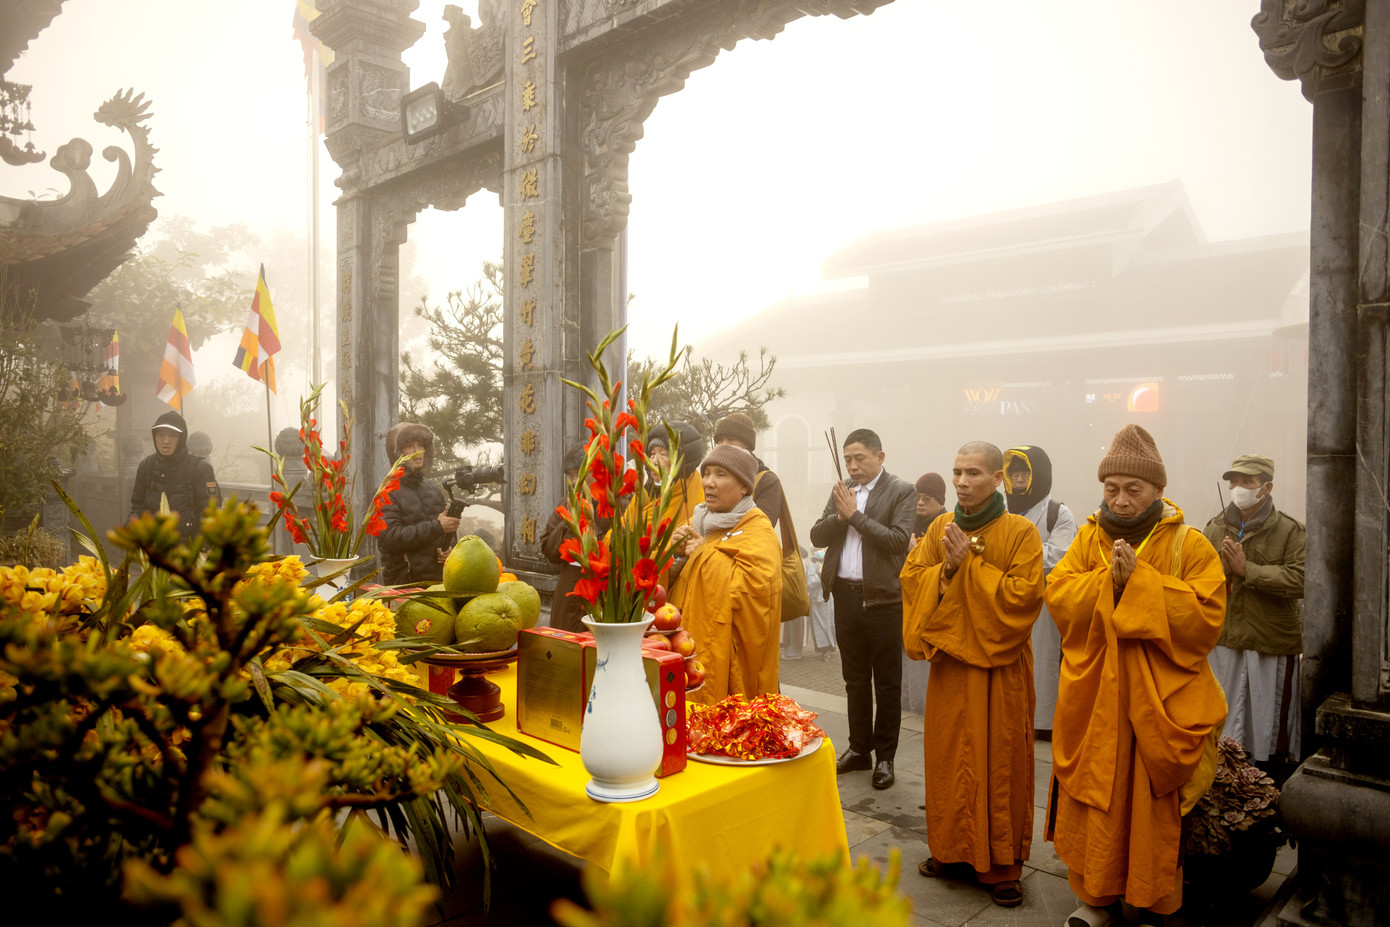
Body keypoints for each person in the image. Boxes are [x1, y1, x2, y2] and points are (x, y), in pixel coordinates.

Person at [1044, 424, 1227, 926]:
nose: (1120, 502)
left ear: (1158, 491)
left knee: (1149, 808)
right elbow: (1059, 597)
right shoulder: (1087, 538)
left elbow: (1207, 618)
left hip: (1156, 706)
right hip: (1095, 699)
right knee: (1094, 803)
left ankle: (1149, 903)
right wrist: (1110, 584)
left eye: (1133, 490)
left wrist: (1140, 585)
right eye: (1111, 489)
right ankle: (1095, 900)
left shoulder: (1189, 545)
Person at [899, 441, 1045, 908]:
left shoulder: (1020, 532)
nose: (962, 482)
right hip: (951, 670)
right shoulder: (941, 526)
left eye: (974, 473)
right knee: (948, 759)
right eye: (957, 472)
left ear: (998, 477)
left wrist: (970, 567)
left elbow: (1024, 599)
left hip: (1000, 672)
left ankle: (1002, 865)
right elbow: (912, 576)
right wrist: (945, 571)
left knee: (999, 762)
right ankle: (951, 851)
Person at [809, 428, 916, 790]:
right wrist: (840, 516)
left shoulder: (901, 491)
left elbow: (899, 541)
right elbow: (816, 536)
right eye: (848, 458)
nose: (853, 465)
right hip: (845, 595)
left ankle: (885, 757)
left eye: (860, 458)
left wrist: (854, 516)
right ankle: (859, 750)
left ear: (880, 457)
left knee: (886, 683)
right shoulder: (842, 491)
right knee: (854, 679)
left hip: (884, 599)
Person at [1202, 453, 1305, 775]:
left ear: (1266, 487)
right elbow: (1197, 576)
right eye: (1234, 481)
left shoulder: (1291, 530)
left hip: (1270, 641)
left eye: (1247, 482)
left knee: (1267, 720)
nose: (1237, 487)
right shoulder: (1215, 526)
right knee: (1223, 716)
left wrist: (1248, 570)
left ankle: (1268, 779)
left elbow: (1301, 579)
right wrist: (1223, 569)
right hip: (1225, 637)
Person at [668, 445, 782, 704]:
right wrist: (674, 556)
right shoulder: (697, 521)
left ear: (744, 486)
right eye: (706, 473)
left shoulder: (758, 529)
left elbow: (757, 590)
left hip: (731, 661)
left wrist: (703, 554)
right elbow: (665, 587)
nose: (708, 482)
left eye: (720, 474)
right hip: (686, 649)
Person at [713, 411, 805, 657]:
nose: (724, 447)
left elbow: (760, 525)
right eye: (720, 441)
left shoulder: (766, 480)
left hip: (751, 572)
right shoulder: (713, 478)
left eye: (731, 441)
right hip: (718, 579)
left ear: (748, 446)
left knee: (753, 655)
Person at [1002, 444, 1078, 737]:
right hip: (1002, 595)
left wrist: (1015, 554)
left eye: (1025, 474)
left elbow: (1060, 554)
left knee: (1042, 661)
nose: (1020, 481)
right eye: (1015, 474)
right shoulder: (999, 507)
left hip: (1042, 602)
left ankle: (1041, 723)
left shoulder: (1057, 513)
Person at [377, 423, 459, 586]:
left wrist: (450, 549)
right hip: (404, 583)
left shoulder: (433, 489)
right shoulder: (386, 491)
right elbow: (389, 538)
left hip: (439, 581)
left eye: (420, 445)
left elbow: (448, 529)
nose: (417, 451)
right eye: (409, 446)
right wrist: (437, 526)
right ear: (397, 452)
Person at [128, 410, 222, 538]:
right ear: (154, 436)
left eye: (172, 435)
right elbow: (137, 505)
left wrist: (203, 548)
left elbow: (211, 512)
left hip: (188, 548)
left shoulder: (200, 468)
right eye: (160, 435)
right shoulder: (146, 466)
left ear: (181, 438)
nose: (166, 441)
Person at [540, 445, 594, 633]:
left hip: (600, 590)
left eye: (580, 474)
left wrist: (587, 522)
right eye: (571, 476)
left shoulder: (616, 503)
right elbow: (547, 548)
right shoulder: (566, 502)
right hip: (568, 585)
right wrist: (569, 522)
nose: (575, 481)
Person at [806, 548, 837, 656]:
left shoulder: (828, 562)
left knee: (830, 623)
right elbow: (810, 584)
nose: (819, 550)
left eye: (820, 548)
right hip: (818, 600)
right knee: (821, 623)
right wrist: (819, 575)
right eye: (816, 549)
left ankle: (831, 646)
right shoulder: (812, 565)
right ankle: (824, 648)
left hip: (829, 598)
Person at [910, 472, 948, 546]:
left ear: (940, 501)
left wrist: (914, 550)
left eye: (927, 498)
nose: (920, 502)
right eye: (917, 498)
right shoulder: (908, 523)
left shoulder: (946, 527)